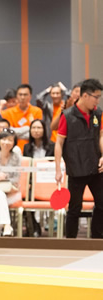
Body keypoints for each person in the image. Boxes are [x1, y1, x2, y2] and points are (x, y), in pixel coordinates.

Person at [55, 78, 103, 239]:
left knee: (102, 203)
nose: (97, 100)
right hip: (76, 168)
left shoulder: (98, 113)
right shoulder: (67, 116)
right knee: (74, 208)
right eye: (96, 97)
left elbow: (101, 136)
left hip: (96, 167)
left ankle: (97, 238)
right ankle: (71, 242)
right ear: (84, 95)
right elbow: (59, 143)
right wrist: (58, 170)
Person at [1, 84, 42, 152]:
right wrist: (29, 128)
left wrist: (16, 133)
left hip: (32, 149)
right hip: (13, 149)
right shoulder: (7, 113)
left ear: (30, 96)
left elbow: (37, 133)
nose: (22, 97)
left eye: (25, 95)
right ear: (16, 96)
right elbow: (9, 133)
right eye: (20, 94)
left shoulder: (37, 111)